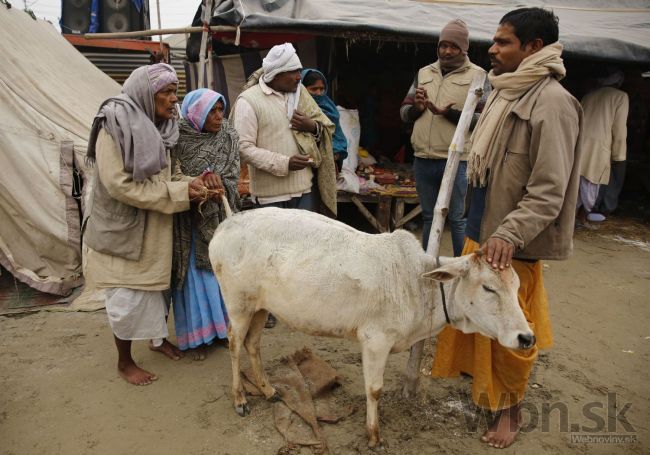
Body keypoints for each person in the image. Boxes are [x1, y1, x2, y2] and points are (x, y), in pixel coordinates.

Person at [431, 8, 582, 448]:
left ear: (534, 48)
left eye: (503, 43)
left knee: (512, 327)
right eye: (493, 42)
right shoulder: (504, 90)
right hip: (487, 224)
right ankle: (487, 393)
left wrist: (508, 235)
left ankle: (510, 412)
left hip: (514, 241)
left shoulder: (553, 103)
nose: (492, 50)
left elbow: (549, 190)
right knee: (478, 316)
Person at [83, 64, 220, 385]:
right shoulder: (113, 124)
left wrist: (194, 184)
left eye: (176, 92)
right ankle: (124, 361)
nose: (175, 100)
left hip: (155, 225)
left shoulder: (163, 126)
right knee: (126, 298)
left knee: (156, 293)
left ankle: (156, 340)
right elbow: (120, 185)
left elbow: (169, 176)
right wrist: (179, 191)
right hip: (124, 230)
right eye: (167, 92)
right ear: (146, 93)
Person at [231, 43, 336, 329]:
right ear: (276, 73)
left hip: (302, 187)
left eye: (300, 70)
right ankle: (269, 307)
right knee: (270, 254)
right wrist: (283, 162)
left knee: (302, 251)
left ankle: (298, 305)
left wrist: (311, 128)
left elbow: (324, 127)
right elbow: (243, 148)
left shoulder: (299, 94)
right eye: (293, 72)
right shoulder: (249, 101)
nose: (299, 77)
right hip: (269, 192)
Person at [400, 19, 490, 256]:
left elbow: (485, 121)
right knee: (429, 216)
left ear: (464, 49)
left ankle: (462, 270)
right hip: (423, 158)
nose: (447, 51)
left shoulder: (479, 76)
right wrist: (418, 108)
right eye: (443, 45)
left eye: (453, 46)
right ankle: (428, 265)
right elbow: (404, 113)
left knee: (457, 218)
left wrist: (448, 113)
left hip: (457, 160)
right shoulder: (424, 72)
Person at [170, 88, 240, 360]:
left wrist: (220, 182)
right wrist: (196, 181)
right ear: (195, 113)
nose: (219, 116)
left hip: (220, 222)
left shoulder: (230, 136)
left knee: (220, 274)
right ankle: (197, 339)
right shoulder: (176, 138)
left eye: (221, 109)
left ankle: (223, 332)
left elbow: (233, 176)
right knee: (194, 280)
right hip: (189, 224)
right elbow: (170, 175)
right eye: (212, 111)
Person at [577, 69, 629, 227]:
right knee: (592, 184)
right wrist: (619, 155)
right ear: (619, 82)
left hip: (579, 145)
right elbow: (619, 129)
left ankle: (574, 218)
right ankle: (583, 217)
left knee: (577, 184)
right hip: (599, 148)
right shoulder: (621, 97)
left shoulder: (589, 95)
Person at [300, 68, 348, 170]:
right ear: (303, 88)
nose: (319, 93)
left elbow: (337, 134)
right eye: (313, 89)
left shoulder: (329, 105)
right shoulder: (299, 107)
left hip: (332, 158)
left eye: (322, 89)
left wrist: (335, 154)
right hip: (306, 161)